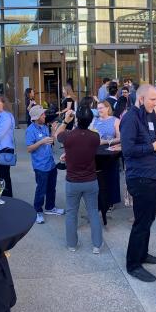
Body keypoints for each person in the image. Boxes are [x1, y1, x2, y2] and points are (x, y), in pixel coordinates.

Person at [120, 84, 156, 282]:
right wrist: (152, 147)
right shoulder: (130, 119)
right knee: (141, 222)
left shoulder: (149, 116)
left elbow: (150, 139)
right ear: (141, 99)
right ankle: (133, 264)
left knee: (149, 218)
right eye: (152, 99)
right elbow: (127, 150)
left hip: (153, 175)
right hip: (139, 178)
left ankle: (142, 254)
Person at [55, 100, 103, 253]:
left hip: (73, 181)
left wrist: (65, 120)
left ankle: (72, 244)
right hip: (90, 180)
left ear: (77, 119)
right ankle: (97, 245)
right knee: (93, 212)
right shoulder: (95, 137)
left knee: (71, 213)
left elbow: (57, 135)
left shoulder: (68, 136)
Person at [26, 105, 62, 225]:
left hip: (50, 163)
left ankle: (50, 207)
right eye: (42, 114)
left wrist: (53, 131)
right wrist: (41, 142)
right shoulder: (30, 130)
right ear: (36, 117)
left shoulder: (45, 127)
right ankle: (37, 211)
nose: (44, 116)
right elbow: (29, 149)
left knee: (52, 187)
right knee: (41, 189)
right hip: (40, 166)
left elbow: (50, 142)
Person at [93, 100, 122, 224]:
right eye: (98, 108)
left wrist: (105, 142)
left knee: (111, 176)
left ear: (107, 108)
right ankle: (100, 201)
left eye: (101, 108)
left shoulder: (115, 120)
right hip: (97, 154)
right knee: (100, 177)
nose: (99, 110)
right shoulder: (95, 120)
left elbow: (120, 138)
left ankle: (110, 201)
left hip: (111, 153)